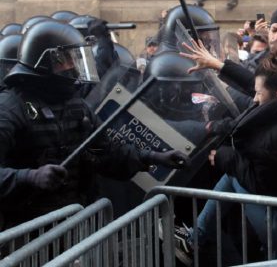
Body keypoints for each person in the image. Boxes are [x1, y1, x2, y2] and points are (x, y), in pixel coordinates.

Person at [0, 20, 188, 230]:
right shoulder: (9, 108)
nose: (74, 67)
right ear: (45, 62)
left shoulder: (77, 107)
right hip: (24, 233)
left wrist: (152, 157)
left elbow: (104, 152)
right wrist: (29, 177)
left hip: (73, 226)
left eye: (76, 59)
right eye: (68, 60)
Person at [172, 41, 277, 265]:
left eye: (258, 94)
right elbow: (258, 86)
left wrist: (225, 158)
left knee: (232, 173)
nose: (254, 98)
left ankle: (195, 239)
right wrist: (219, 65)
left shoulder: (276, 139)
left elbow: (260, 186)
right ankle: (196, 238)